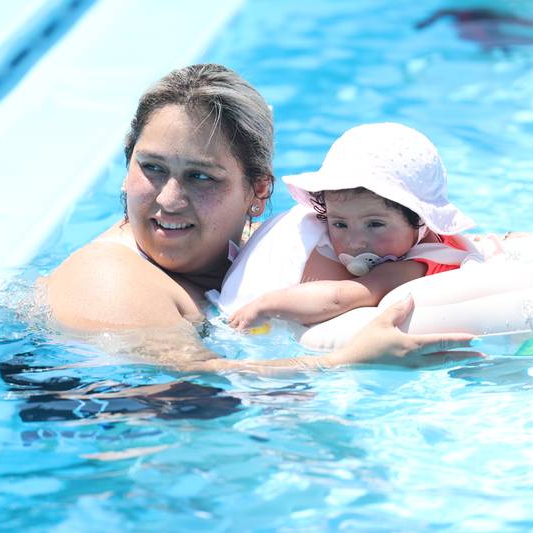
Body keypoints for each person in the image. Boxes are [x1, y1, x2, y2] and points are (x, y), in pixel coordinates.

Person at [42, 64, 475, 375]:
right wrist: (345, 362)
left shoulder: (270, 244)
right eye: (151, 168)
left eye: (200, 177)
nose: (169, 200)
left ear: (258, 193)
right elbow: (194, 380)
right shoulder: (108, 279)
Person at [229, 122, 476, 330]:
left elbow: (339, 298)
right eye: (340, 224)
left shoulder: (412, 268)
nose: (355, 241)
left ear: (421, 220)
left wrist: (268, 305)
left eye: (375, 224)